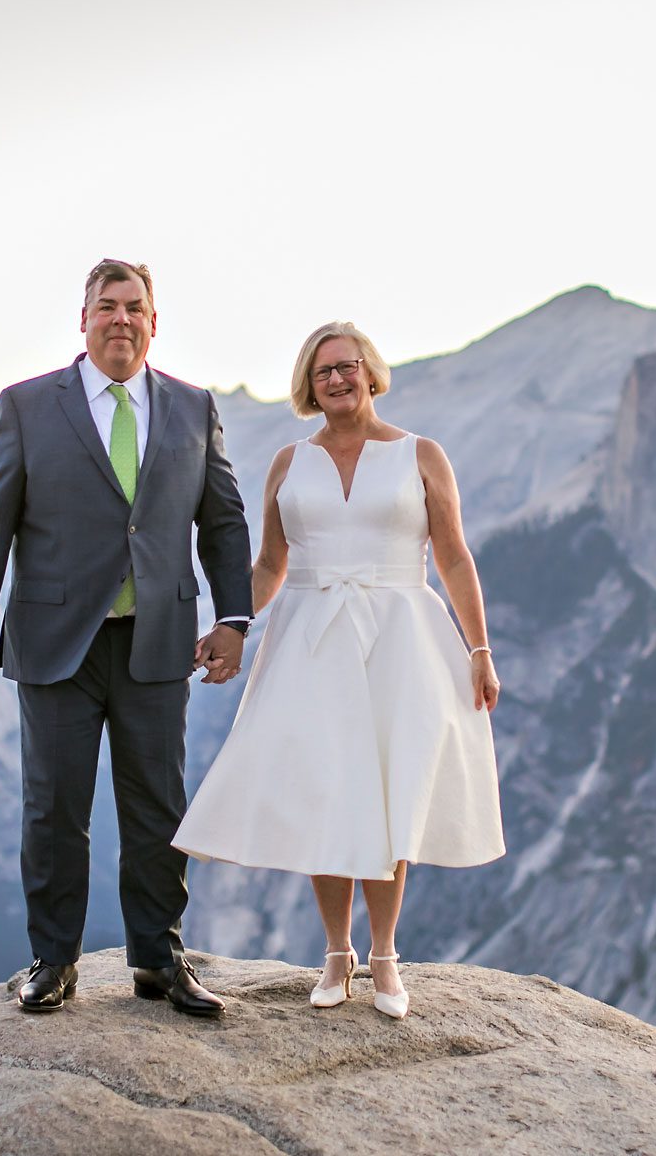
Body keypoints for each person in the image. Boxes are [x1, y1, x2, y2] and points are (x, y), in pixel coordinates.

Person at [173, 321, 505, 1019]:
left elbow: (453, 557)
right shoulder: (289, 462)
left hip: (399, 635)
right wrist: (233, 624)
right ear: (308, 384)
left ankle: (383, 955)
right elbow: (269, 565)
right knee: (325, 787)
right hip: (310, 635)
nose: (337, 379)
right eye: (323, 371)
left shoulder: (421, 454)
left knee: (390, 785)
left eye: (347, 366)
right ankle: (335, 950)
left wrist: (479, 649)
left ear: (370, 372)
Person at [0, 259, 253, 1017]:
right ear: (82, 319)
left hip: (159, 640)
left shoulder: (191, 406)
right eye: (108, 306)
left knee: (158, 808)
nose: (123, 319)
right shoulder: (26, 406)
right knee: (55, 809)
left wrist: (234, 618)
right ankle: (54, 960)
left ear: (156, 322)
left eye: (136, 308)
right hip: (56, 641)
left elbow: (222, 521)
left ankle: (159, 960)